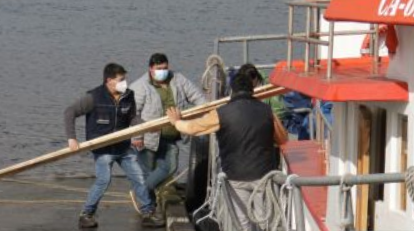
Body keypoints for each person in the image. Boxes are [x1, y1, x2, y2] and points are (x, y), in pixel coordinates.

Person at [167, 64, 286, 231]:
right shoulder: (267, 111)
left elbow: (194, 128)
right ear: (253, 89)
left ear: (232, 90)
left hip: (236, 175)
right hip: (263, 175)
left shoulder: (222, 113)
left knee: (241, 222)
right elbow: (282, 139)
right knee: (264, 220)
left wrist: (176, 121)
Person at [64, 63, 164, 229]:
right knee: (104, 179)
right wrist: (71, 139)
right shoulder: (94, 97)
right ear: (109, 80)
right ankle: (86, 214)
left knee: (139, 177)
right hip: (102, 148)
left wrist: (147, 126)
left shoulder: (128, 95)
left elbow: (132, 119)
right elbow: (69, 112)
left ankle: (148, 213)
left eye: (125, 79)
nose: (125, 83)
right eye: (121, 79)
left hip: (123, 147)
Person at [131, 53, 208, 202]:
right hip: (149, 138)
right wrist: (137, 136)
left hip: (171, 136)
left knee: (170, 167)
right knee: (148, 171)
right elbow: (133, 114)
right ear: (151, 69)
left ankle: (142, 192)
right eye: (159, 69)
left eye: (165, 68)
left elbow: (197, 96)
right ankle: (149, 205)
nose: (163, 71)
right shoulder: (140, 86)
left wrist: (206, 110)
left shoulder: (178, 80)